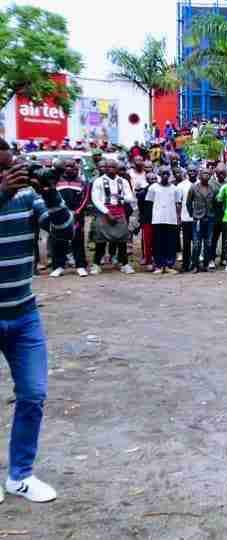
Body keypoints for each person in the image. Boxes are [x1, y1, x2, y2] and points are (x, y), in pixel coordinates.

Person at [0, 137, 73, 503]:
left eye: (11, 165)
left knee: (33, 394)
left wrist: (52, 192)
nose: (10, 173)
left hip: (24, 314)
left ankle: (20, 475)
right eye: (2, 168)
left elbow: (64, 232)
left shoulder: (27, 198)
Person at [90, 160, 136, 274]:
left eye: (113, 167)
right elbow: (95, 199)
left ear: (117, 169)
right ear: (104, 168)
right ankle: (96, 264)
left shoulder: (123, 181)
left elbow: (130, 197)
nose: (110, 169)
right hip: (104, 212)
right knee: (100, 240)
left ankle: (124, 263)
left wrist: (122, 197)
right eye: (107, 167)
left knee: (122, 240)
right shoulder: (98, 181)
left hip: (120, 212)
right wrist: (107, 212)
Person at [50, 160, 90, 277]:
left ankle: (80, 266)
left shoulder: (82, 182)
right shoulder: (56, 181)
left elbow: (85, 198)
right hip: (59, 216)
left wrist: (78, 211)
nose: (68, 168)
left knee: (77, 239)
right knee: (58, 240)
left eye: (71, 166)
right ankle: (58, 266)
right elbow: (51, 196)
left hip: (76, 215)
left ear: (75, 168)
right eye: (66, 166)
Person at [147, 167, 180, 274]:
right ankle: (159, 265)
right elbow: (149, 204)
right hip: (157, 219)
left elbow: (177, 204)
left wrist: (178, 218)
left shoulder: (175, 189)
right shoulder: (153, 188)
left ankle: (169, 265)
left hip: (171, 219)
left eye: (167, 173)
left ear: (170, 175)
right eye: (163, 173)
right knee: (158, 243)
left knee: (170, 243)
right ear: (159, 175)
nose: (165, 175)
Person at [186, 170, 220, 272]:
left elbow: (216, 204)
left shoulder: (213, 188)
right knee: (196, 243)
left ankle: (206, 264)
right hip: (198, 219)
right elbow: (188, 203)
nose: (206, 175)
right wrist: (192, 214)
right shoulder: (193, 188)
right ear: (200, 176)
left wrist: (213, 215)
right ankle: (195, 265)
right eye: (204, 174)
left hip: (209, 219)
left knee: (208, 243)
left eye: (208, 174)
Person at [176, 166, 196, 272]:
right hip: (186, 218)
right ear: (187, 173)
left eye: (194, 171)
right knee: (186, 243)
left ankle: (195, 263)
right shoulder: (181, 186)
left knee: (197, 243)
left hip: (198, 218)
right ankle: (186, 264)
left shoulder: (201, 184)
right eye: (190, 171)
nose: (192, 173)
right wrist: (178, 218)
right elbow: (178, 203)